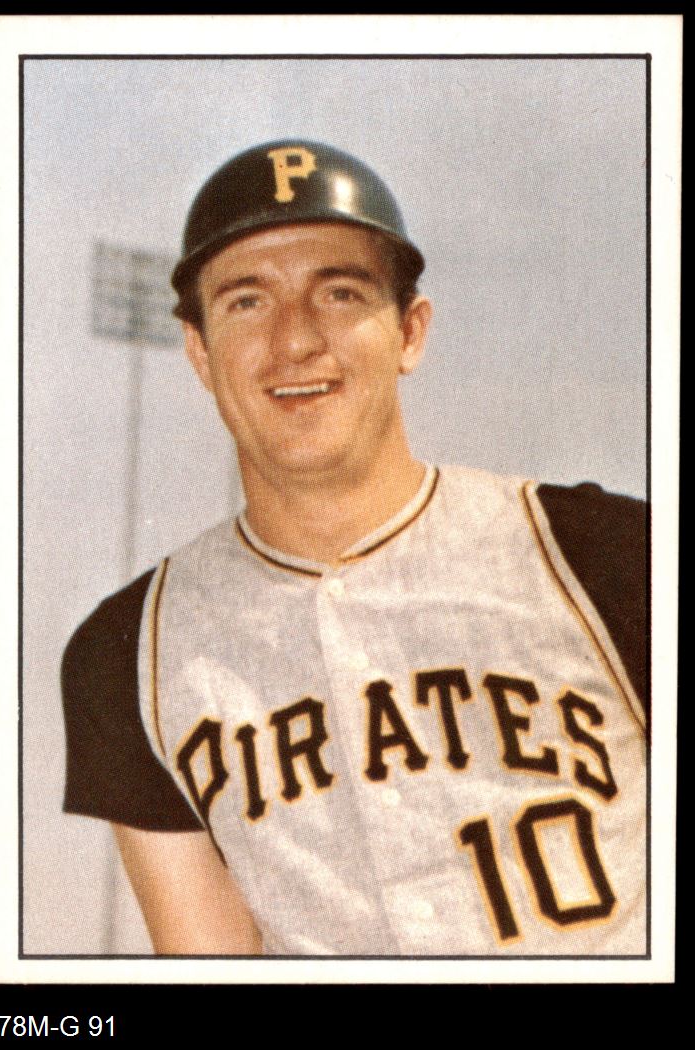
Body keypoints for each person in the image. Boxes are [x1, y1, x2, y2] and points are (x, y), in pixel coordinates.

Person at [62, 140, 648, 957]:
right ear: (200, 352)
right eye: (246, 301)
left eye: (339, 293)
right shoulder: (128, 653)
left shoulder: (606, 554)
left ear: (409, 332)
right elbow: (208, 962)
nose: (296, 340)